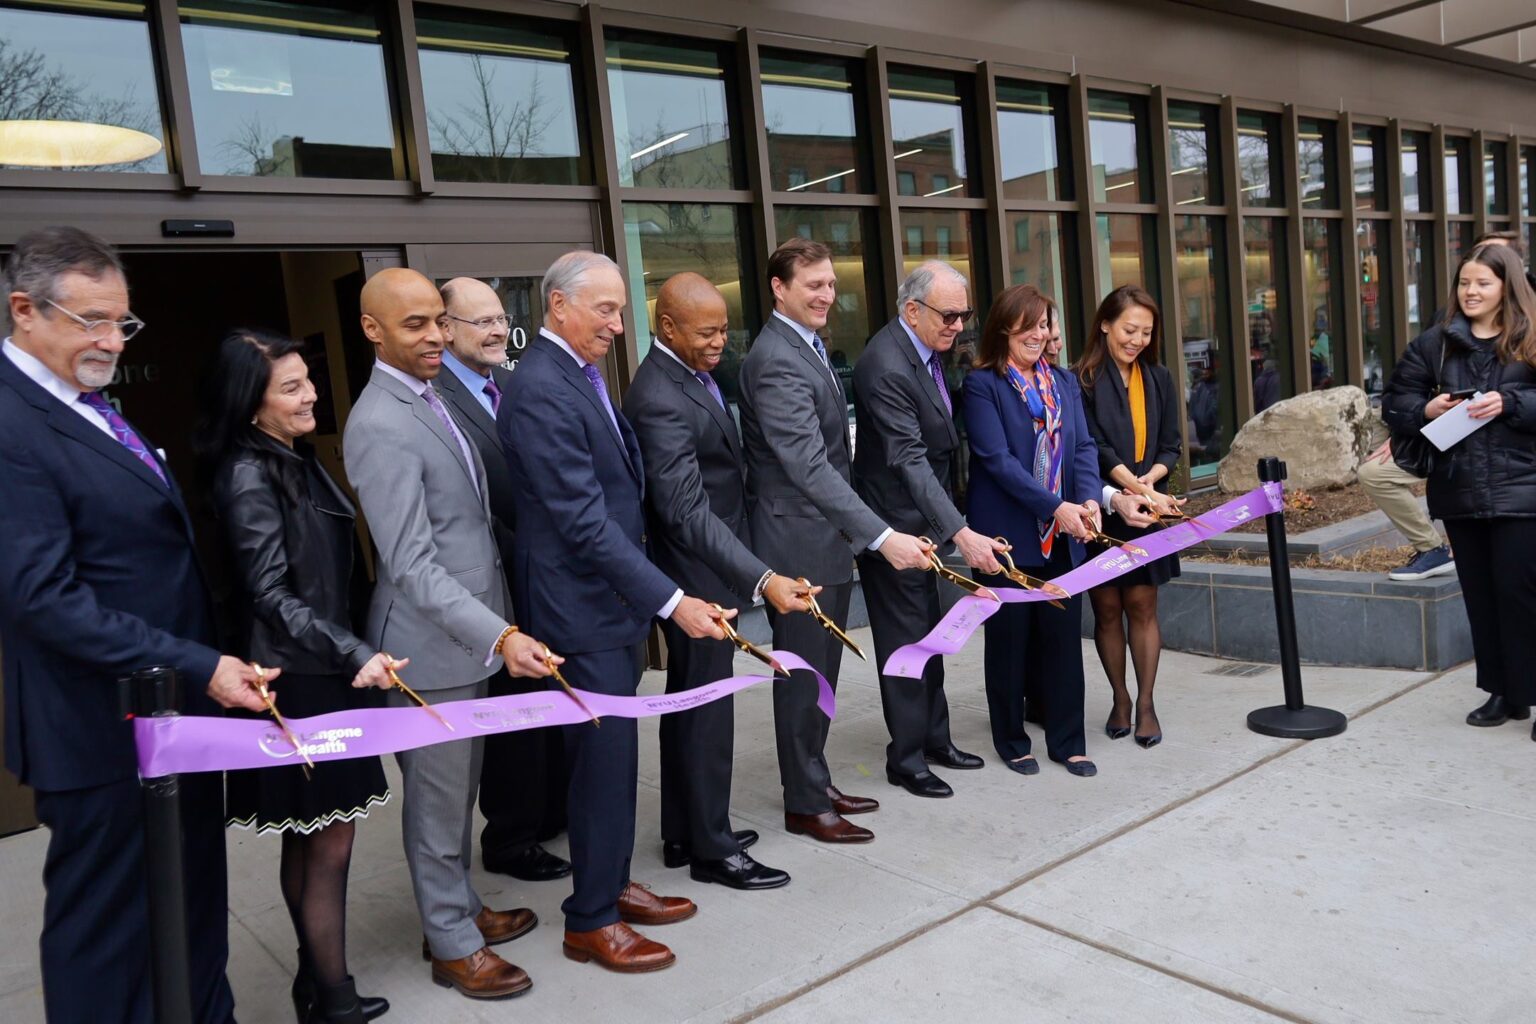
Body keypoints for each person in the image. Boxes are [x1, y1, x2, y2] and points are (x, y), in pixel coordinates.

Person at [0, 226, 271, 1023]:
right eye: (90, 320)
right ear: (24, 310)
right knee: (108, 933)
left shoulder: (83, 405)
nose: (111, 340)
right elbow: (43, 598)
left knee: (187, 906)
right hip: (98, 730)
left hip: (167, 714)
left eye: (122, 322)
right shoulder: (12, 423)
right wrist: (201, 662)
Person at [499, 252, 727, 972]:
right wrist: (672, 597)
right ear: (559, 306)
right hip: (578, 610)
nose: (617, 324)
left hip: (609, 604)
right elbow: (582, 520)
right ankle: (590, 920)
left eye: (621, 309)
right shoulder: (540, 387)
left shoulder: (579, 374)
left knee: (614, 761)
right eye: (604, 309)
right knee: (600, 764)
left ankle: (611, 880)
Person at [343, 267, 557, 1001]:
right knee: (437, 811)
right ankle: (450, 942)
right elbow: (411, 564)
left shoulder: (429, 398)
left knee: (460, 795)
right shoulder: (379, 421)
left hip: (465, 642)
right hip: (427, 653)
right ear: (372, 330)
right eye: (415, 325)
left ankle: (462, 910)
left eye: (439, 319)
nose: (435, 335)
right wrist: (501, 637)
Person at [199, 329, 394, 1024]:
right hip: (304, 677)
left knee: (315, 832)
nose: (311, 393)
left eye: (307, 379)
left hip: (321, 666)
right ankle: (332, 995)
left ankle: (318, 986)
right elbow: (271, 594)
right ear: (249, 403)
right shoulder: (251, 472)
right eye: (290, 386)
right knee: (325, 836)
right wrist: (352, 652)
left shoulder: (289, 456)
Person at [737, 237, 934, 843]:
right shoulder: (775, 358)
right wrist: (880, 535)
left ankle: (816, 779)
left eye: (829, 283)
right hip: (796, 546)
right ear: (779, 288)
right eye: (812, 285)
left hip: (824, 540)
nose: (827, 294)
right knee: (801, 678)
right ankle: (803, 802)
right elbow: (808, 466)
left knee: (821, 674)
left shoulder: (808, 346)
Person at [623, 272, 810, 890]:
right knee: (705, 716)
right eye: (707, 332)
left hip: (710, 566)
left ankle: (686, 829)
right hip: (696, 574)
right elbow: (684, 509)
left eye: (725, 329)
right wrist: (760, 576)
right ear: (667, 327)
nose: (720, 343)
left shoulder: (692, 377)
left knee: (692, 707)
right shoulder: (658, 393)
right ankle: (712, 848)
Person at [963, 284, 1141, 779]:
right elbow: (997, 462)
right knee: (1010, 643)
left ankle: (1068, 741)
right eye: (1030, 325)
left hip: (1063, 536)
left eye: (1045, 325)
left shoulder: (1061, 381)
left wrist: (1085, 500)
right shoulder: (983, 385)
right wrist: (1055, 506)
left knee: (1064, 642)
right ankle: (1012, 740)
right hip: (1006, 538)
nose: (1040, 335)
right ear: (1004, 328)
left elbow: (1084, 448)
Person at [435, 277, 571, 884]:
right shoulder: (435, 401)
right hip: (493, 583)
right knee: (512, 719)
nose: (496, 331)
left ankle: (544, 816)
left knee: (544, 708)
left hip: (538, 576)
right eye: (479, 321)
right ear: (444, 329)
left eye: (499, 318)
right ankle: (511, 837)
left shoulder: (505, 387)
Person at [852, 261, 1005, 798]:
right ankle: (907, 757)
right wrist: (961, 532)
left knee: (933, 639)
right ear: (912, 310)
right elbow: (910, 460)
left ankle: (935, 739)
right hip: (895, 531)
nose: (959, 325)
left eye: (965, 314)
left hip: (928, 524)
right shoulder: (886, 364)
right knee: (907, 646)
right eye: (949, 315)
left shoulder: (928, 352)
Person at [1382, 243, 1536, 734]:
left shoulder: (1531, 336)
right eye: (1465, 283)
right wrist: (1427, 410)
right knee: (1482, 597)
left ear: (1505, 287)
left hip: (1523, 490)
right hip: (1460, 488)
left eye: (1482, 283)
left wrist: (1509, 403)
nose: (1470, 291)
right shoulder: (1436, 343)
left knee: (1522, 595)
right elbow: (1395, 399)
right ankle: (1503, 693)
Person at [1075, 285, 1184, 749]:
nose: (1137, 339)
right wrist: (1131, 487)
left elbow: (1172, 446)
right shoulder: (1080, 378)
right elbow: (1093, 446)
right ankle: (1119, 698)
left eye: (1145, 332)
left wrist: (1151, 483)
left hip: (1150, 504)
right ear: (1105, 324)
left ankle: (1146, 704)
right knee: (1106, 610)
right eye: (1129, 329)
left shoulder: (1158, 377)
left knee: (1143, 605)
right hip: (1102, 508)